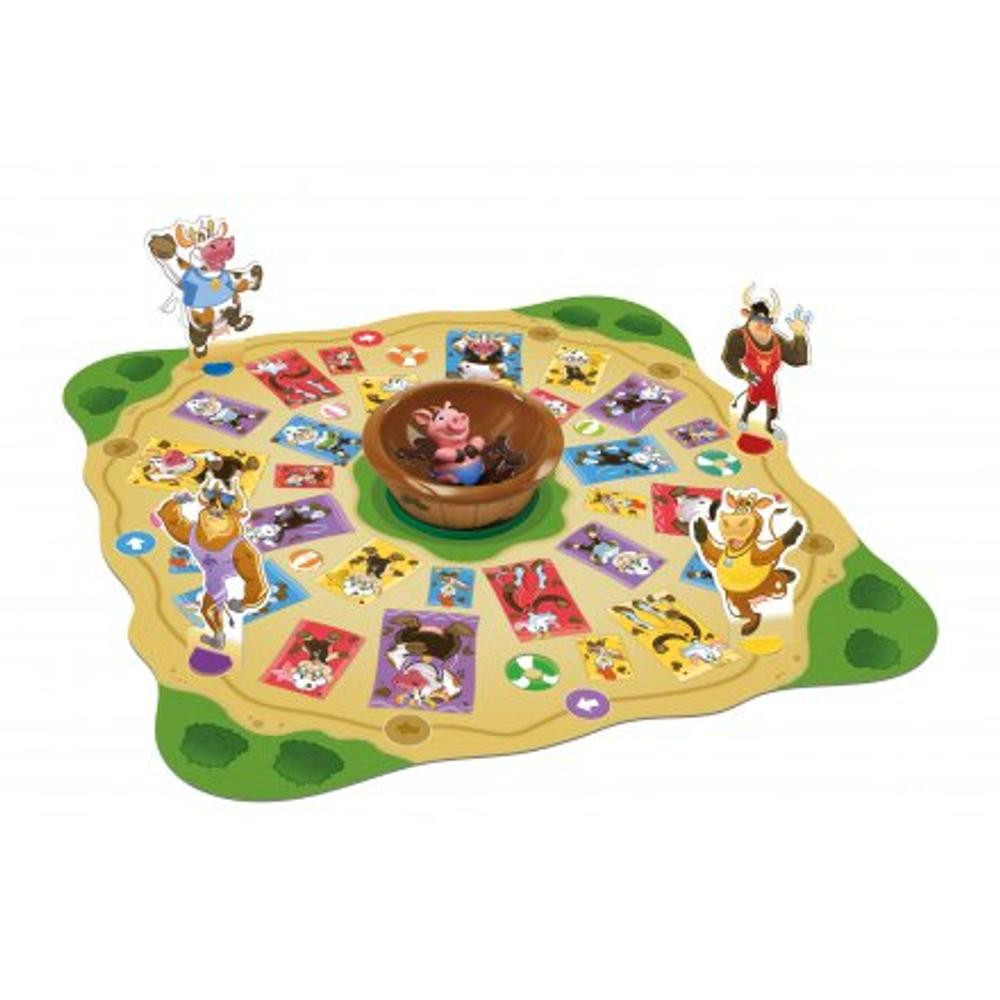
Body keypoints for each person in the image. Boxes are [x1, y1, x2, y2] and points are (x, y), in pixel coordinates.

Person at [722, 285, 812, 441]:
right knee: (752, 403)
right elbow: (729, 358)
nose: (763, 325)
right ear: (747, 316)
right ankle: (744, 418)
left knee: (773, 406)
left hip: (770, 384)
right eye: (758, 320)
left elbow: (797, 359)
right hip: (755, 382)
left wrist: (799, 335)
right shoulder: (738, 337)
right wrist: (743, 375)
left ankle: (770, 426)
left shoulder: (777, 340)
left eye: (767, 321)